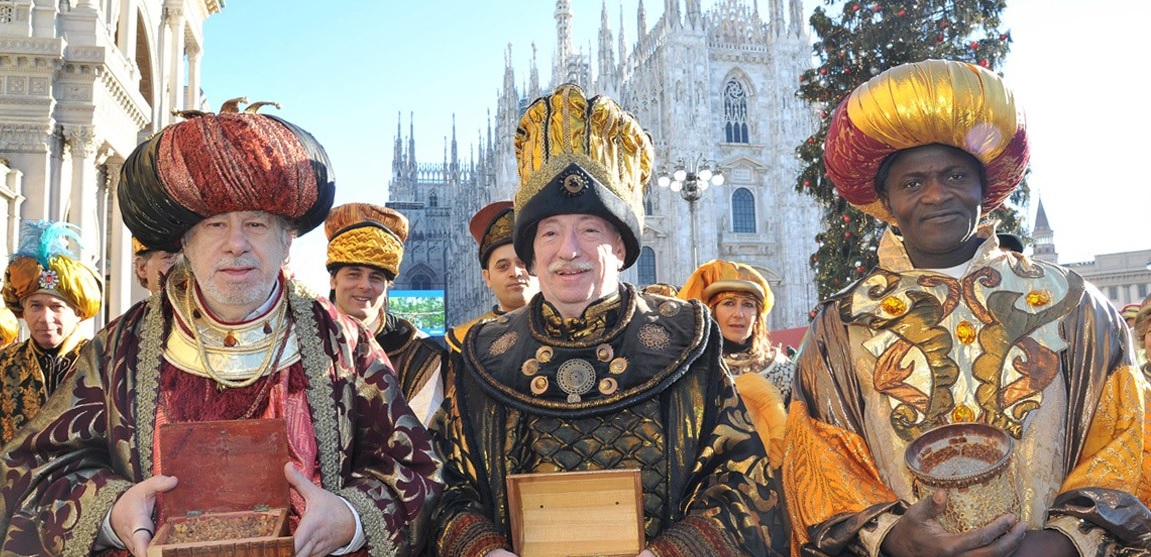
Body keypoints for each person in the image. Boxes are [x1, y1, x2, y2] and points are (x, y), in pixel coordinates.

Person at [0, 102, 442, 556]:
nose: (236, 244)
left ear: (287, 240)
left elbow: (414, 471)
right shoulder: (119, 350)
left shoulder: (344, 345)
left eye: (256, 223)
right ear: (186, 242)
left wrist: (350, 519)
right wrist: (113, 513)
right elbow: (36, 471)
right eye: (215, 225)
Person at [785, 59, 1151, 556]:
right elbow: (820, 458)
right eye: (913, 183)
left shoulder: (1073, 302)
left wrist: (1066, 540)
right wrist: (891, 536)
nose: (937, 195)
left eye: (955, 175)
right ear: (886, 201)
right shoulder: (842, 323)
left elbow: (1127, 432)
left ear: (985, 186)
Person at [430, 83, 786, 557]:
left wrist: (670, 553)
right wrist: (484, 549)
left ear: (619, 246)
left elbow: (743, 482)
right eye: (550, 233)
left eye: (589, 230)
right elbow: (440, 480)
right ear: (531, 252)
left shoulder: (685, 339)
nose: (568, 250)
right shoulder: (483, 352)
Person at [324, 202, 445, 426]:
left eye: (376, 278)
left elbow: (423, 434)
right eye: (353, 274)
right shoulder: (302, 339)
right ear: (333, 280)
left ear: (388, 285)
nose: (364, 286)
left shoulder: (419, 353)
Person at [679, 259, 793, 466]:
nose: (738, 314)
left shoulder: (782, 369)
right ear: (712, 311)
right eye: (729, 303)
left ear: (758, 315)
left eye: (748, 305)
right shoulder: (691, 368)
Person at [0, 220, 102, 445]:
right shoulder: (4, 362)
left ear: (78, 312)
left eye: (56, 307)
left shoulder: (102, 361)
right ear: (23, 311)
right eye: (35, 306)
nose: (45, 318)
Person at [445, 200, 538, 353]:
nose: (515, 273)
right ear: (487, 277)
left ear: (540, 267)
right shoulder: (468, 340)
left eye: (522, 263)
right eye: (503, 266)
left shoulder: (568, 325)